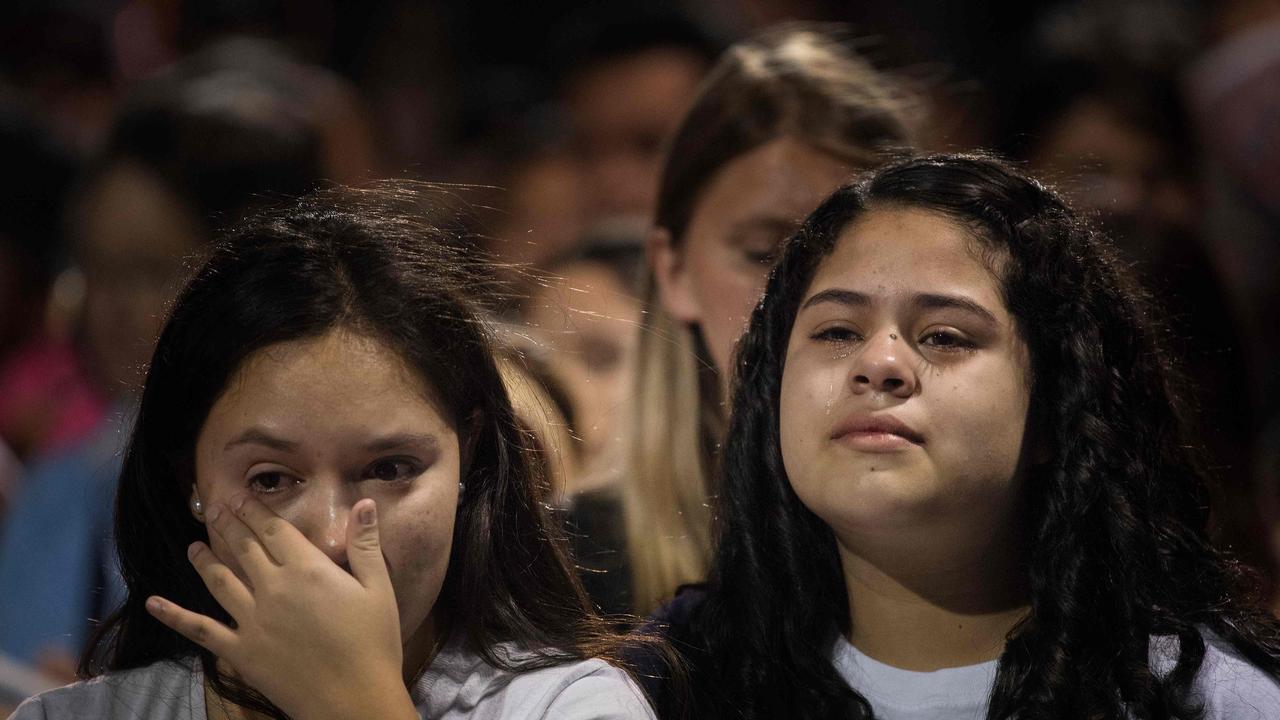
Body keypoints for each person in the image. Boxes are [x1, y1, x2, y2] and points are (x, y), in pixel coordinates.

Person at [647, 153, 1280, 719]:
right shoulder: (664, 693)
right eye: (837, 331)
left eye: (945, 337)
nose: (880, 363)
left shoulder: (1204, 701)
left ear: (1058, 407)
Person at [9, 185, 657, 719]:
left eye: (390, 469)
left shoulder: (570, 707)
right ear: (191, 481)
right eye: (270, 480)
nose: (330, 541)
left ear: (470, 456)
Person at [620, 24, 919, 613]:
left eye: (853, 255)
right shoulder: (568, 561)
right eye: (765, 254)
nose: (810, 301)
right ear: (672, 270)